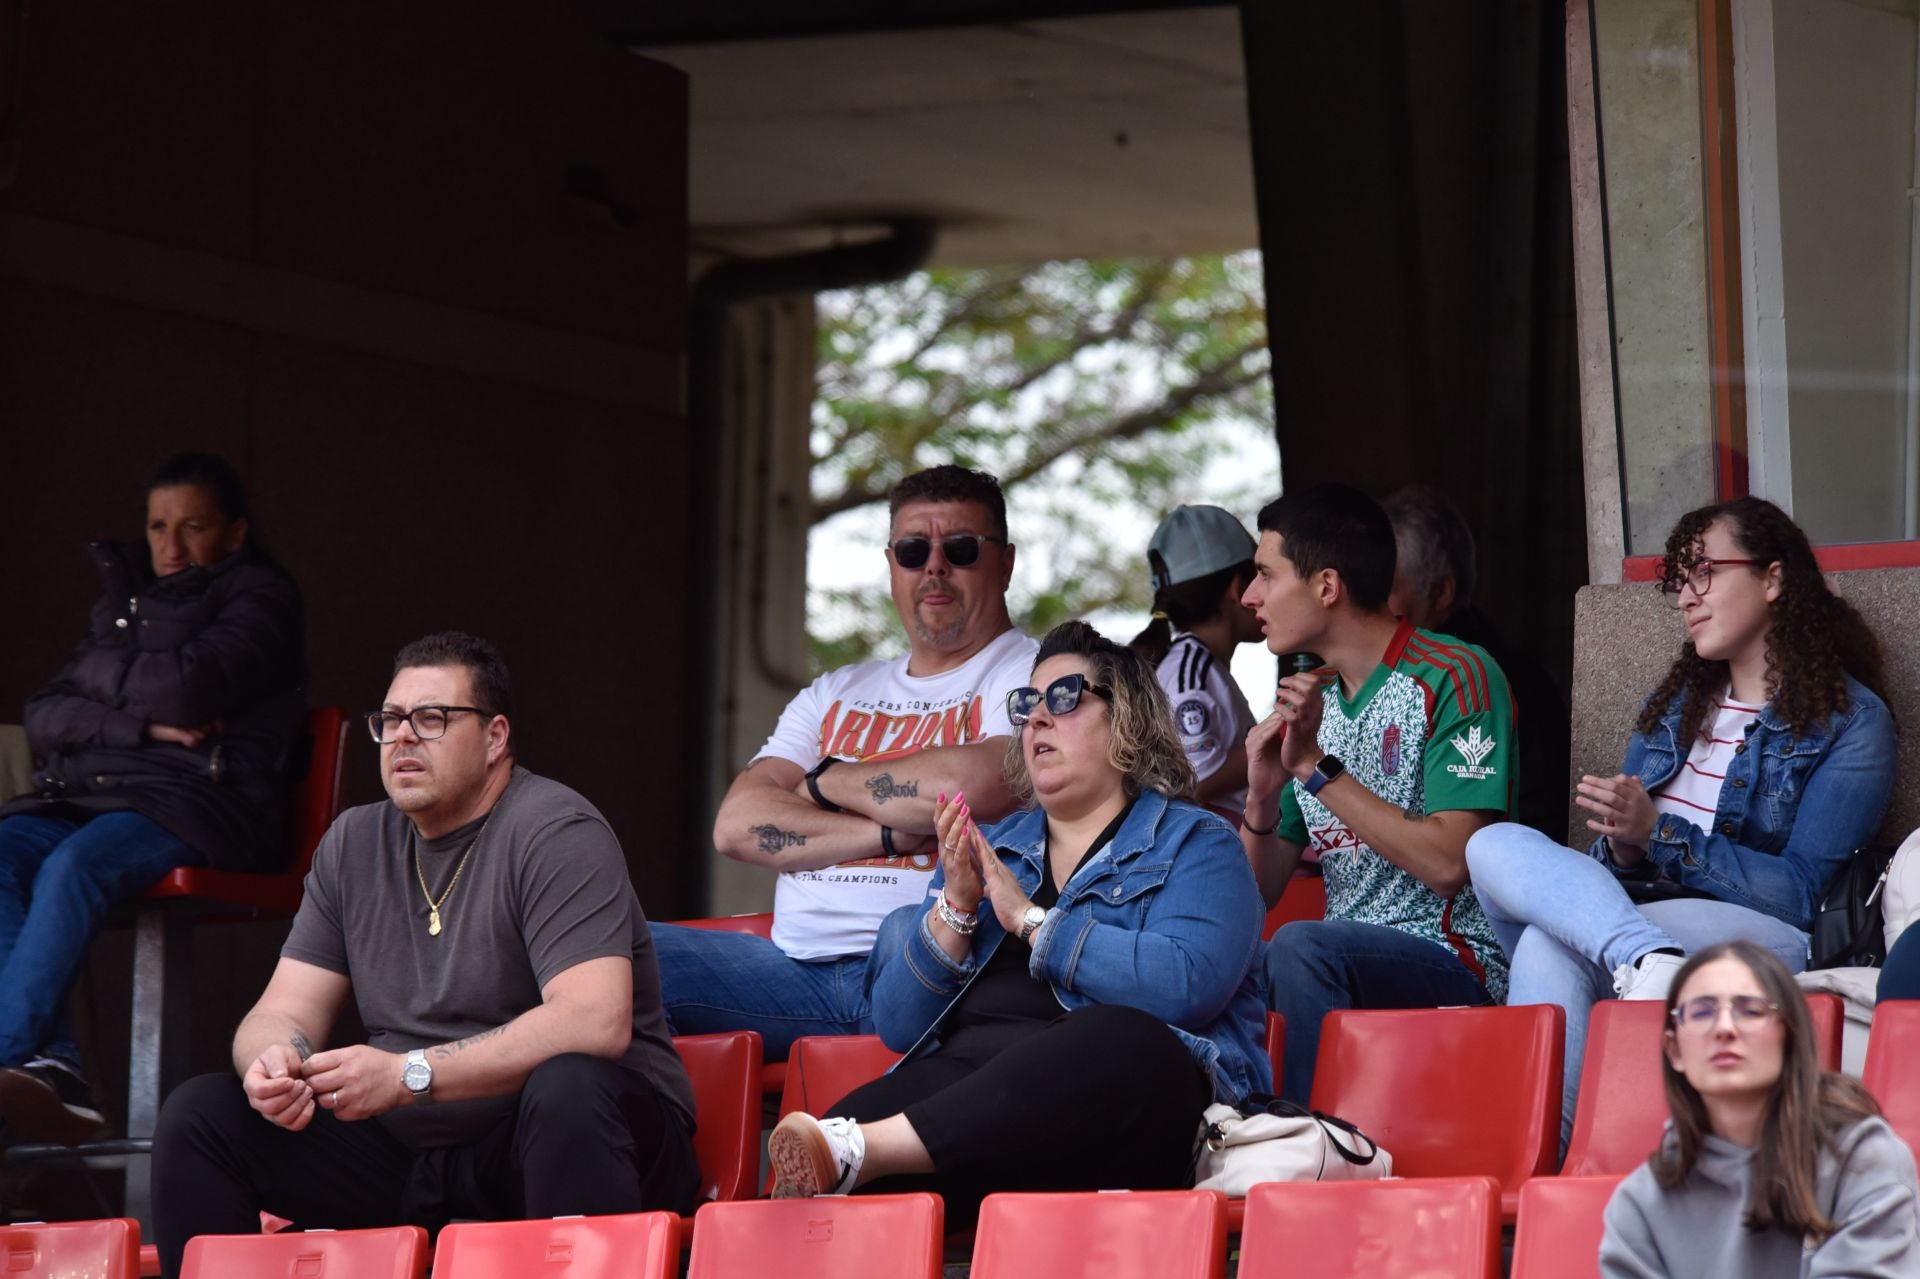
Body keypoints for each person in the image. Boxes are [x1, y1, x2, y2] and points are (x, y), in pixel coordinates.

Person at [151, 633, 697, 1279]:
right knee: (201, 1115)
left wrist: (407, 1074)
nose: (403, 737)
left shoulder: (557, 829)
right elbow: (280, 1011)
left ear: (496, 737)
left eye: (433, 718)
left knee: (568, 1085)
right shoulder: (353, 842)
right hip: (412, 1158)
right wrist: (274, 1063)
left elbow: (592, 1021)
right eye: (390, 720)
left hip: (574, 1141)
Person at [764, 621, 1266, 1226]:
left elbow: (1186, 983)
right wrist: (956, 906)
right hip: (971, 1098)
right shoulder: (988, 849)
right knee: (812, 1166)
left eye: (1064, 698)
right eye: (1027, 706)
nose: (1037, 720)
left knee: (1124, 1039)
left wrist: (1030, 922)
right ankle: (855, 1156)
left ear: (1126, 719)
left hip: (1116, 1108)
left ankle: (869, 1151)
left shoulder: (1199, 840)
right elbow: (898, 1025)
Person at [1466, 496, 1895, 1148]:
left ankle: (1528, 1173)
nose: (1685, 598)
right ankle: (1643, 959)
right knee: (1490, 842)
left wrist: (1658, 835)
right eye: (1679, 581)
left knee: (1551, 944)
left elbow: (1803, 894)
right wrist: (1627, 850)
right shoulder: (1674, 707)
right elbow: (1613, 865)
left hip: (1767, 935)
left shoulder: (1852, 721)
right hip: (1640, 917)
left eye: (1705, 574)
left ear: (1774, 579)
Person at [652, 466, 1038, 1059]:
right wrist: (885, 831)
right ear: (891, 566)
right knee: (603, 956)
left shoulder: (1030, 671)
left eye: (959, 549)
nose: (933, 566)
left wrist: (821, 782)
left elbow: (976, 781)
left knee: (901, 927)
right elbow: (737, 824)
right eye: (913, 551)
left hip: (934, 962)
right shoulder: (835, 690)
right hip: (791, 971)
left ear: (1005, 564)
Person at [0, 452, 305, 1145]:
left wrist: (108, 684)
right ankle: (51, 1064)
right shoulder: (126, 599)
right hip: (98, 792)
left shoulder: (261, 594)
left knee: (75, 864)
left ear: (233, 533)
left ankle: (10, 1053)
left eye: (192, 526)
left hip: (204, 800)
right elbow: (45, 709)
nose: (170, 546)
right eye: (157, 526)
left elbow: (190, 689)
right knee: (4, 849)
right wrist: (139, 723)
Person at [1239, 484, 1516, 1103]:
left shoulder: (1455, 673)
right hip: (1340, 961)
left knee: (1300, 946)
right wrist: (1260, 799)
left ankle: (1304, 1149)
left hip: (1451, 958)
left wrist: (1313, 768)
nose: (1248, 597)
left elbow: (1449, 863)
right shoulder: (1307, 699)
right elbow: (1257, 894)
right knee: (1203, 971)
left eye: (1263, 574)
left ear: (1326, 586)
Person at [1600, 942, 1918, 1277]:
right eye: (1702, 1012)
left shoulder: (1861, 1159)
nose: (1725, 1028)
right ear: (1674, 1049)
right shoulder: (1640, 1202)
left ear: (1789, 1036)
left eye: (1750, 1010)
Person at [1383, 484, 1570, 837]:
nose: (1370, 609)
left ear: (1441, 592)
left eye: (1385, 590)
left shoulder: (1486, 680)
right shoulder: (1368, 675)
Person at [1129, 504, 1263, 821]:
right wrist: (1281, 741)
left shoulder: (1196, 664)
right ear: (1237, 587)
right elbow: (1191, 781)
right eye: (1262, 575)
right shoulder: (1189, 671)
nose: (1265, 590)